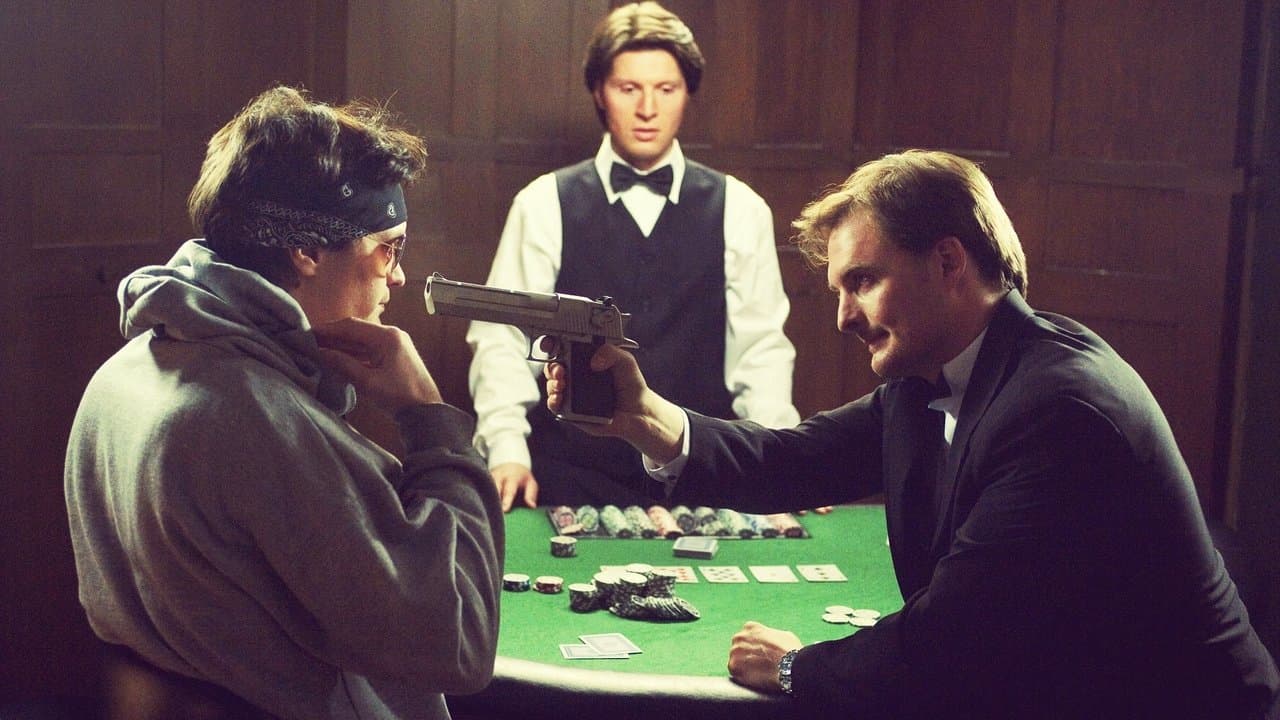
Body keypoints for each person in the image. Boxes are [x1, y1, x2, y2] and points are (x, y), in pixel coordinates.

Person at [545, 150, 1280, 719]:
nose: (843, 317)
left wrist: (797, 666)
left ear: (948, 262)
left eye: (862, 282)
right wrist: (644, 417)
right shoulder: (932, 379)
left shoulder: (1059, 408)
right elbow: (787, 460)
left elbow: (946, 647)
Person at [64, 86, 504, 720]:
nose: (398, 276)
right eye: (389, 247)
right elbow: (459, 644)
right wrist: (429, 418)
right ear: (307, 251)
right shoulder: (253, 418)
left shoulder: (124, 369)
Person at [467, 0, 799, 511]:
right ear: (600, 93)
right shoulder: (542, 202)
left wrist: (781, 461)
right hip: (568, 481)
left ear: (687, 94)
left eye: (666, 89)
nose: (648, 108)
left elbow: (762, 352)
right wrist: (507, 449)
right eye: (628, 88)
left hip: (701, 481)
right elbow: (502, 342)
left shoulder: (742, 208)